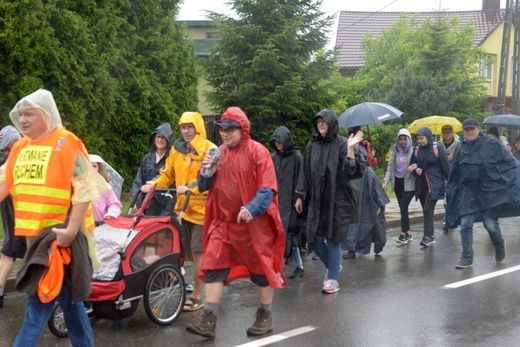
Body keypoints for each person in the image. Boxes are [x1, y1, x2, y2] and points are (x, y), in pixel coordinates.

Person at [0, 89, 102, 346]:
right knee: (70, 303)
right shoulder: (20, 148)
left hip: (57, 240)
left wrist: (69, 232)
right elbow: (4, 184)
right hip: (36, 241)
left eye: (29, 114)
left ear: (45, 115)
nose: (22, 120)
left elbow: (85, 188)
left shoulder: (67, 142)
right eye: (20, 114)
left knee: (37, 308)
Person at [185, 107, 286, 339]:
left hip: (253, 225)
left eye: (230, 129)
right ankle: (208, 320)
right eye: (222, 129)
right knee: (213, 269)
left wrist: (251, 208)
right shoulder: (217, 153)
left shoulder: (258, 152)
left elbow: (268, 187)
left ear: (243, 129)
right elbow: (203, 185)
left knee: (261, 271)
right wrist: (206, 171)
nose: (225, 134)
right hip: (224, 224)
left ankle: (265, 315)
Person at [143, 112, 216, 312]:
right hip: (183, 210)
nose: (186, 131)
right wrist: (154, 185)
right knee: (189, 253)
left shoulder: (210, 150)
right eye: (183, 127)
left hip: (203, 210)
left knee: (199, 253)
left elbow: (213, 180)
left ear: (198, 127)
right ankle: (208, 278)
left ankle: (197, 296)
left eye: (189, 127)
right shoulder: (177, 149)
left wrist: (191, 188)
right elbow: (167, 174)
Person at [295, 109, 365, 294]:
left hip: (337, 200)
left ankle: (332, 279)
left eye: (324, 121)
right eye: (318, 122)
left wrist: (351, 150)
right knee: (315, 239)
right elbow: (305, 172)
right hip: (317, 201)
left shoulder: (342, 143)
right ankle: (334, 267)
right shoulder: (312, 145)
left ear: (331, 123)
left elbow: (353, 173)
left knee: (333, 238)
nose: (320, 124)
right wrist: (300, 195)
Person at [446, 118, 520, 269]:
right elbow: (455, 171)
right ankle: (466, 257)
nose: (470, 132)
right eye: (467, 129)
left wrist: (511, 177)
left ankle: (499, 245)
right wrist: (451, 190)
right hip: (467, 191)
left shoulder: (491, 144)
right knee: (465, 224)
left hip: (487, 191)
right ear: (463, 131)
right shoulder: (460, 148)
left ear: (479, 129)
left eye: (473, 129)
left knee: (490, 224)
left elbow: (509, 163)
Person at [270, 126, 305, 279]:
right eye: (276, 141)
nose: (278, 144)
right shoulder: (274, 158)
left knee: (290, 234)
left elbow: (302, 179)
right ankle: (285, 267)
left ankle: (296, 266)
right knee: (277, 235)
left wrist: (299, 197)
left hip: (291, 203)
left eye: (280, 141)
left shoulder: (297, 157)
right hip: (277, 202)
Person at [409, 127, 450, 248]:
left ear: (428, 137)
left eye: (422, 138)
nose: (420, 141)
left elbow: (446, 167)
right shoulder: (417, 150)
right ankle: (431, 236)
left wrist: (451, 184)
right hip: (422, 184)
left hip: (435, 183)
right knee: (427, 210)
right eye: (418, 138)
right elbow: (412, 164)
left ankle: (426, 236)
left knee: (427, 208)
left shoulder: (437, 148)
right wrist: (416, 170)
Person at [0, 126, 26, 308]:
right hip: (19, 212)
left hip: (17, 211)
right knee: (10, 252)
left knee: (8, 252)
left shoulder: (8, 162)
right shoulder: (12, 163)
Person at [343, 166, 390, 257]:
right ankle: (351, 249)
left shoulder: (367, 172)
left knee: (371, 226)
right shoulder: (347, 169)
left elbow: (375, 189)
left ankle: (378, 245)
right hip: (352, 204)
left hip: (365, 204)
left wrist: (379, 205)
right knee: (352, 227)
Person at [130, 123, 176, 216]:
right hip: (147, 203)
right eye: (158, 136)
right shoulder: (147, 158)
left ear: (168, 140)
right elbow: (139, 181)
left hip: (166, 204)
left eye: (163, 137)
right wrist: (136, 201)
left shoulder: (173, 158)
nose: (160, 140)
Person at [383, 128, 415, 243]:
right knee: (403, 208)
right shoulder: (395, 151)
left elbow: (419, 163)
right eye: (400, 139)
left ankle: (403, 233)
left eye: (405, 139)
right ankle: (408, 232)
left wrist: (414, 167)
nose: (402, 142)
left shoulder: (413, 151)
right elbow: (390, 168)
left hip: (409, 184)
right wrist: (385, 183)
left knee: (404, 206)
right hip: (398, 183)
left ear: (408, 139)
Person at [438, 124, 460, 233]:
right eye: (445, 133)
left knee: (451, 198)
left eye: (449, 132)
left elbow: (462, 158)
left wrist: (453, 158)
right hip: (442, 175)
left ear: (452, 133)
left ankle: (447, 220)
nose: (447, 135)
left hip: (454, 175)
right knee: (445, 200)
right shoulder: (438, 145)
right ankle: (447, 221)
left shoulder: (458, 145)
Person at [88, 154, 122, 223]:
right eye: (87, 166)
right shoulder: (76, 185)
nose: (90, 169)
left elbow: (114, 204)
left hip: (99, 222)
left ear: (99, 169)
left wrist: (111, 214)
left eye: (94, 166)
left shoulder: (106, 187)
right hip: (81, 225)